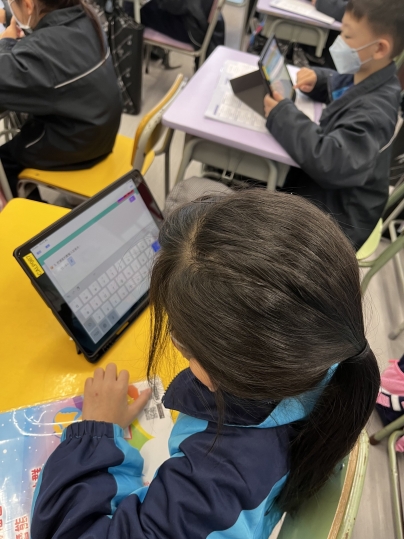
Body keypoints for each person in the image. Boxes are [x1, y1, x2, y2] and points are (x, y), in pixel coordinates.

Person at [30, 190, 380, 539]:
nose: (176, 346)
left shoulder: (214, 479)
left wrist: (96, 432)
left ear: (228, 368)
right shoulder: (325, 352)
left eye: (184, 342)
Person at [264, 0, 403, 250]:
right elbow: (344, 83)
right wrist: (319, 80)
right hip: (330, 196)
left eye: (347, 36)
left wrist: (282, 115)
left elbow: (331, 161)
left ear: (380, 48)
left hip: (336, 224)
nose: (339, 41)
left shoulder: (377, 112)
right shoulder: (369, 74)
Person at [0, 0, 122, 198]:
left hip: (79, 145)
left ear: (28, 5)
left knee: (4, 160)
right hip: (101, 130)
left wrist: (6, 42)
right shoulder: (85, 15)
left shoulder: (42, 51)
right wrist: (8, 15)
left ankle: (32, 212)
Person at [139, 0, 224, 56]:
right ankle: (153, 52)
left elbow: (174, 5)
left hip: (192, 29)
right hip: (199, 21)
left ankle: (134, 68)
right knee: (143, 8)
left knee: (135, 11)